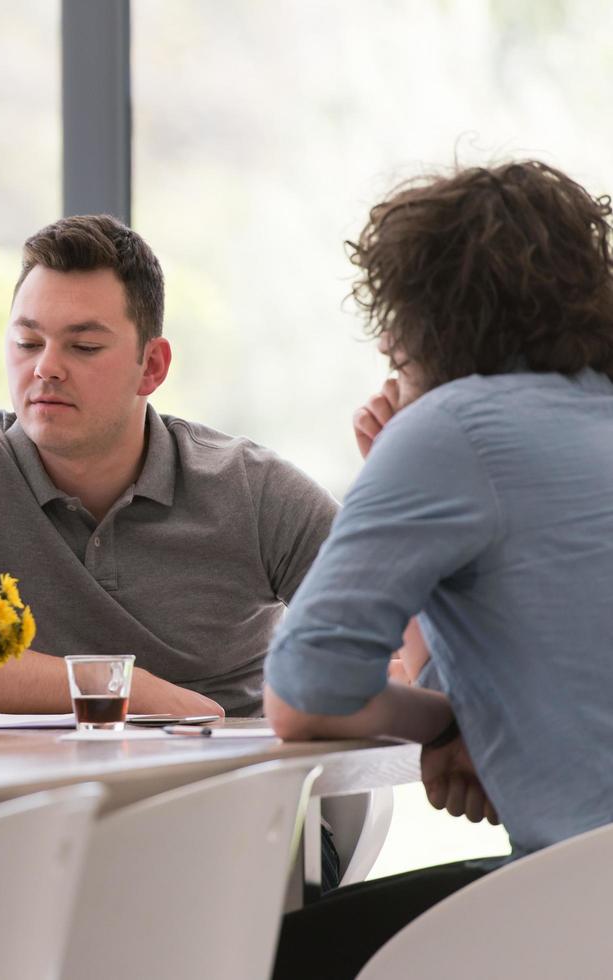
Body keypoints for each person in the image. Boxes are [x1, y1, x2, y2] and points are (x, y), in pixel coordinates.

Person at [266, 160, 613, 980]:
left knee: (256, 952)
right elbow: (518, 632)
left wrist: (441, 723)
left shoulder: (454, 428)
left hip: (581, 898)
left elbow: (302, 694)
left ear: (427, 316)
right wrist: (462, 714)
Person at [0, 214, 340, 718]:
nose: (45, 367)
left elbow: (394, 648)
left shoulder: (254, 489)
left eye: (83, 346)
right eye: (27, 343)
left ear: (151, 366)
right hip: (23, 801)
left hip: (226, 794)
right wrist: (130, 688)